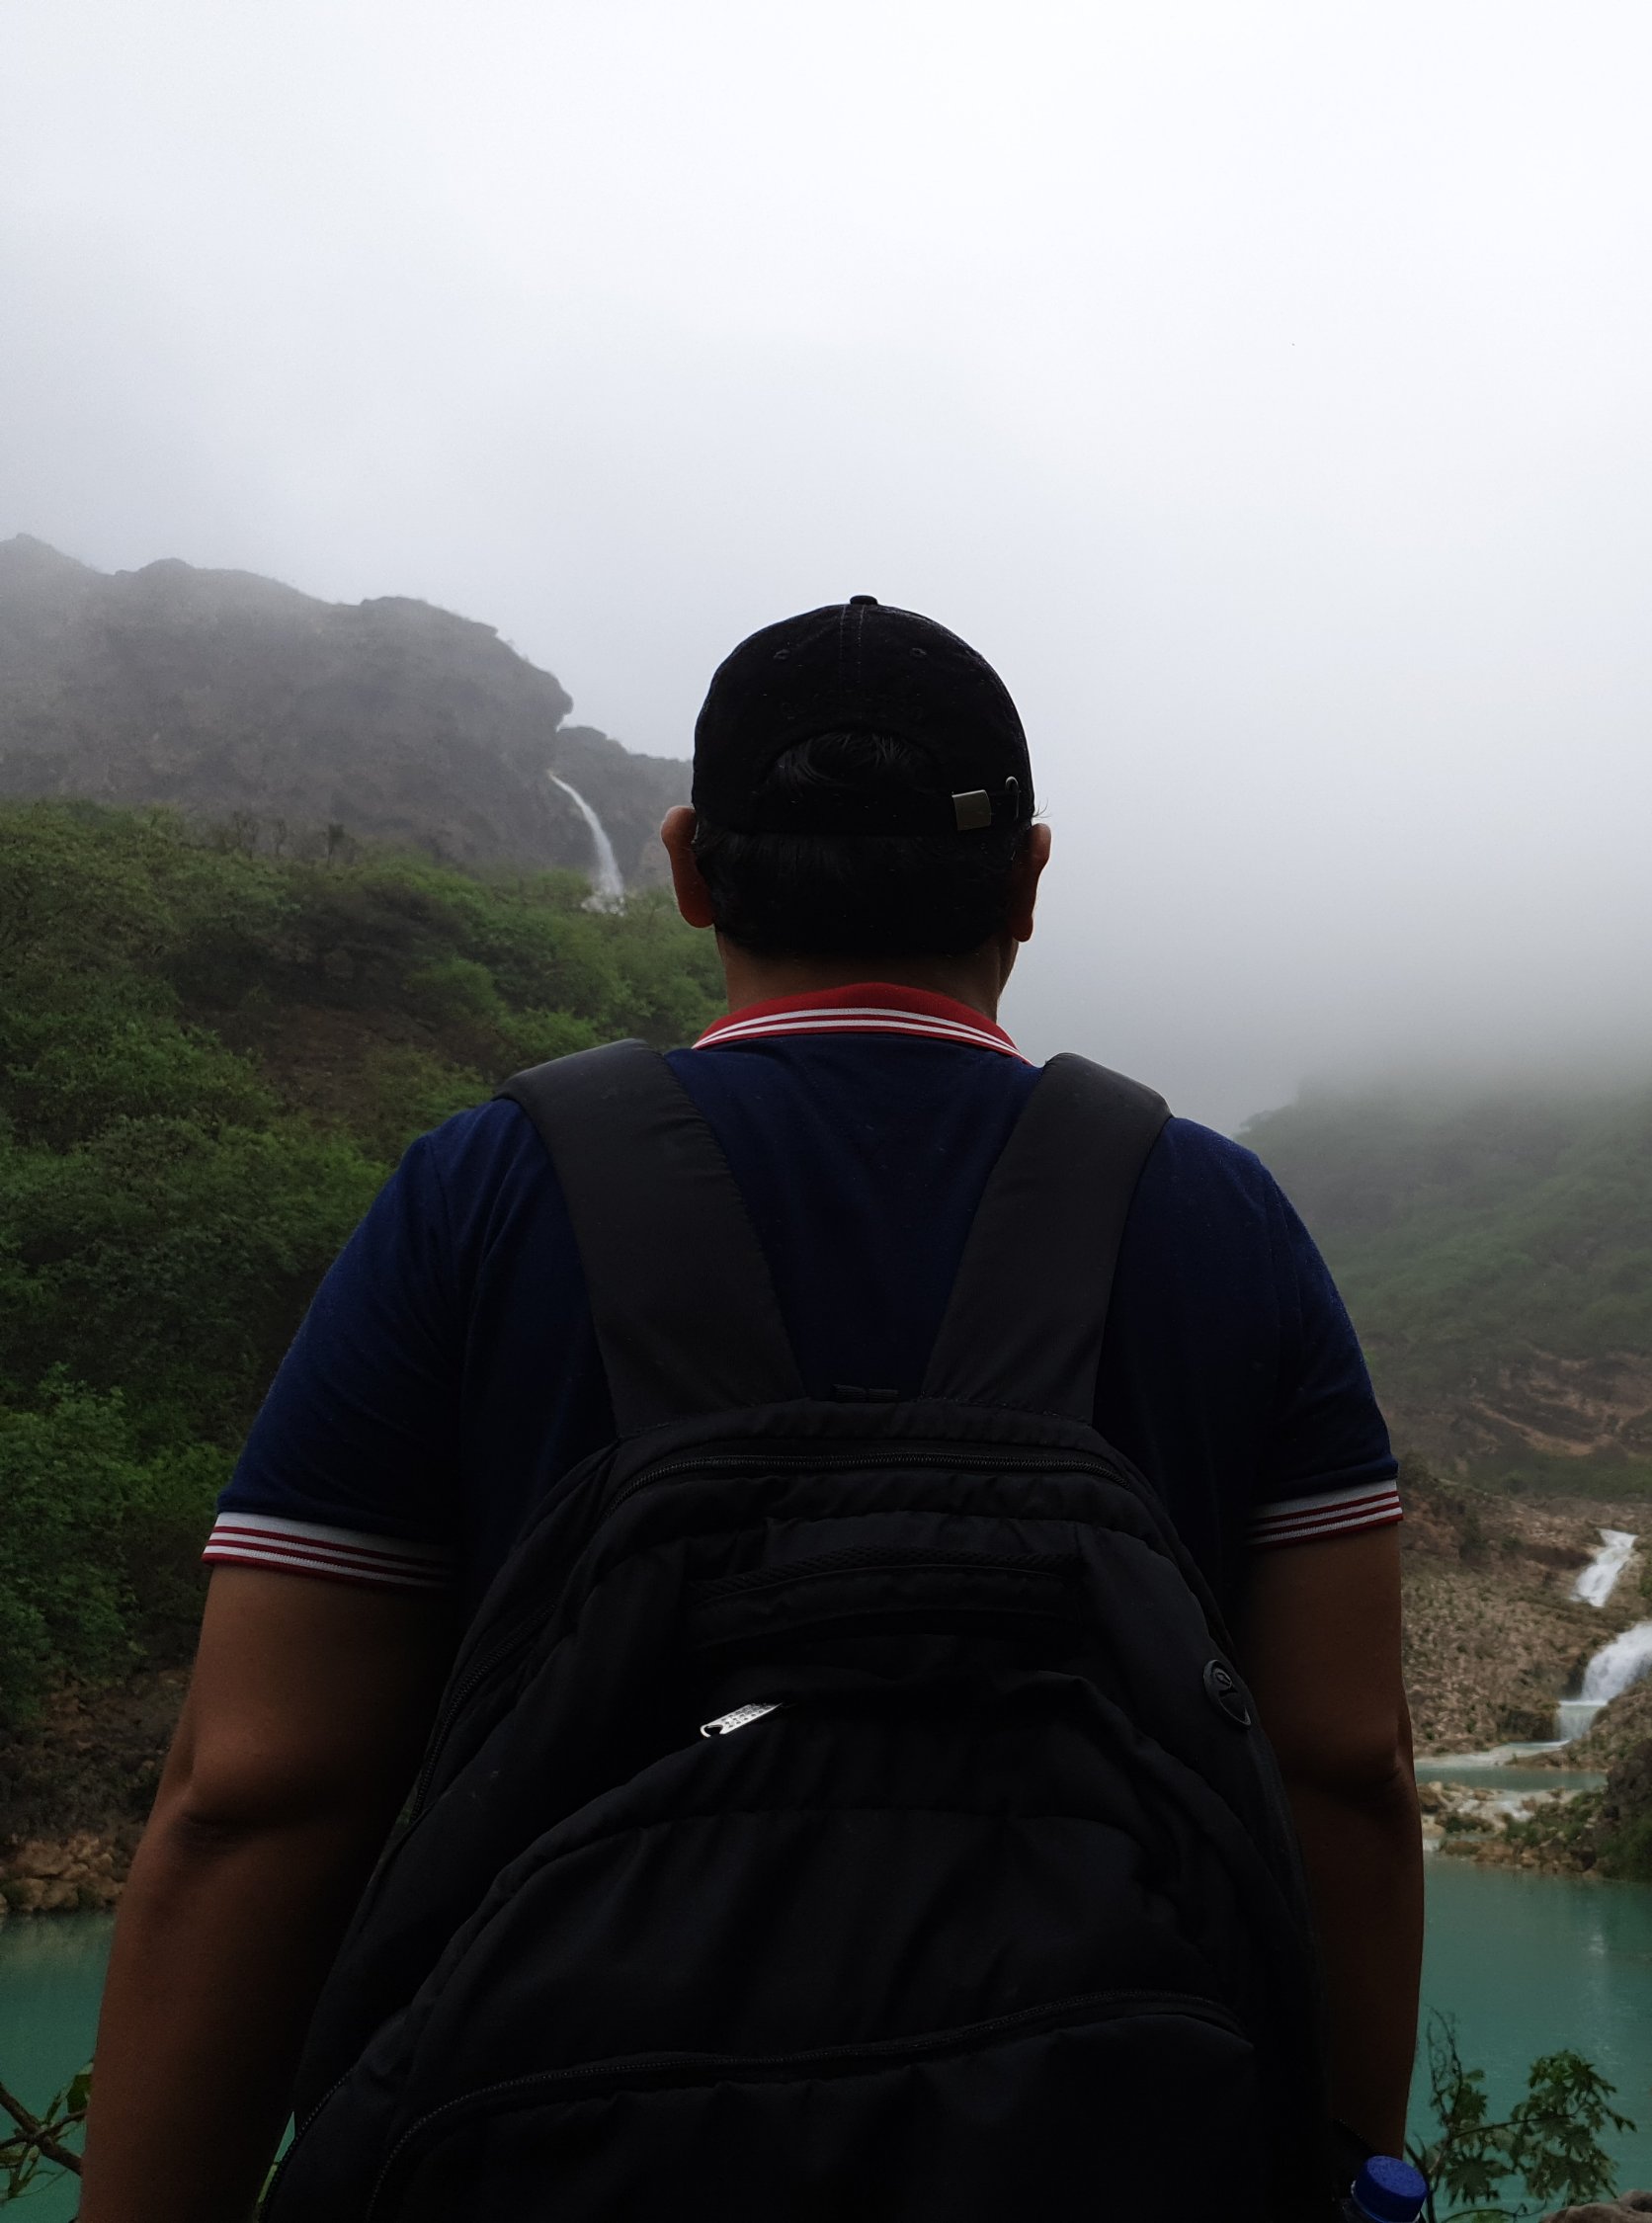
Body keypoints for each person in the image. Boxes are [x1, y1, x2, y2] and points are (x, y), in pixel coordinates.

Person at [81, 598, 1423, 2221]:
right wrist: (1349, 2162)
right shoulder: (1218, 1212)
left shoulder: (480, 1191)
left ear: (690, 869)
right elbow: (1344, 1760)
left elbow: (257, 1792)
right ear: (1029, 879)